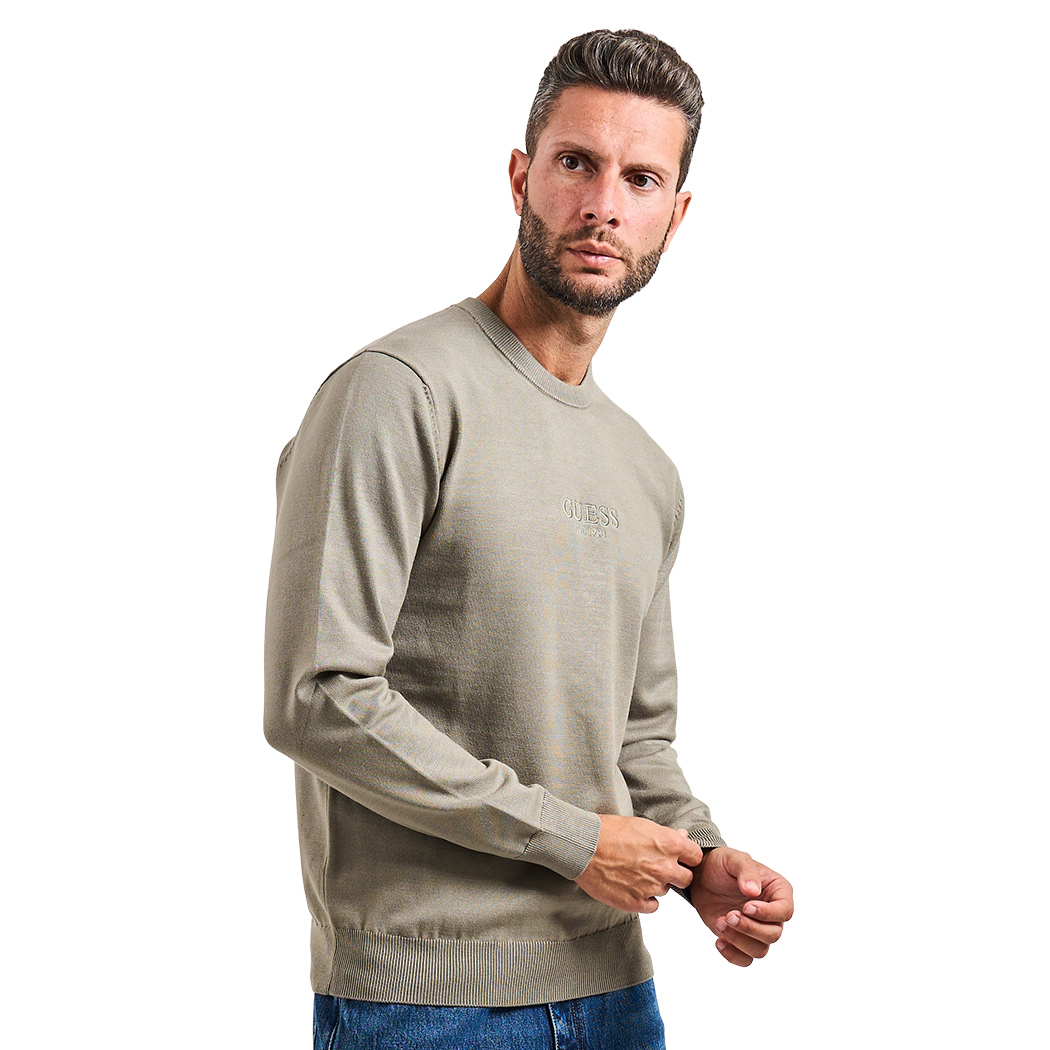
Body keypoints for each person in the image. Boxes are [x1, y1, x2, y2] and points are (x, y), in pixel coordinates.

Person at [264, 27, 793, 1050]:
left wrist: (700, 862)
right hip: (426, 1002)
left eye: (641, 179)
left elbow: (635, 741)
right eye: (576, 163)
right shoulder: (396, 394)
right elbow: (317, 696)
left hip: (615, 993)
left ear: (676, 216)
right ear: (521, 176)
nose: (604, 205)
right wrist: (574, 840)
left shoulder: (646, 469)